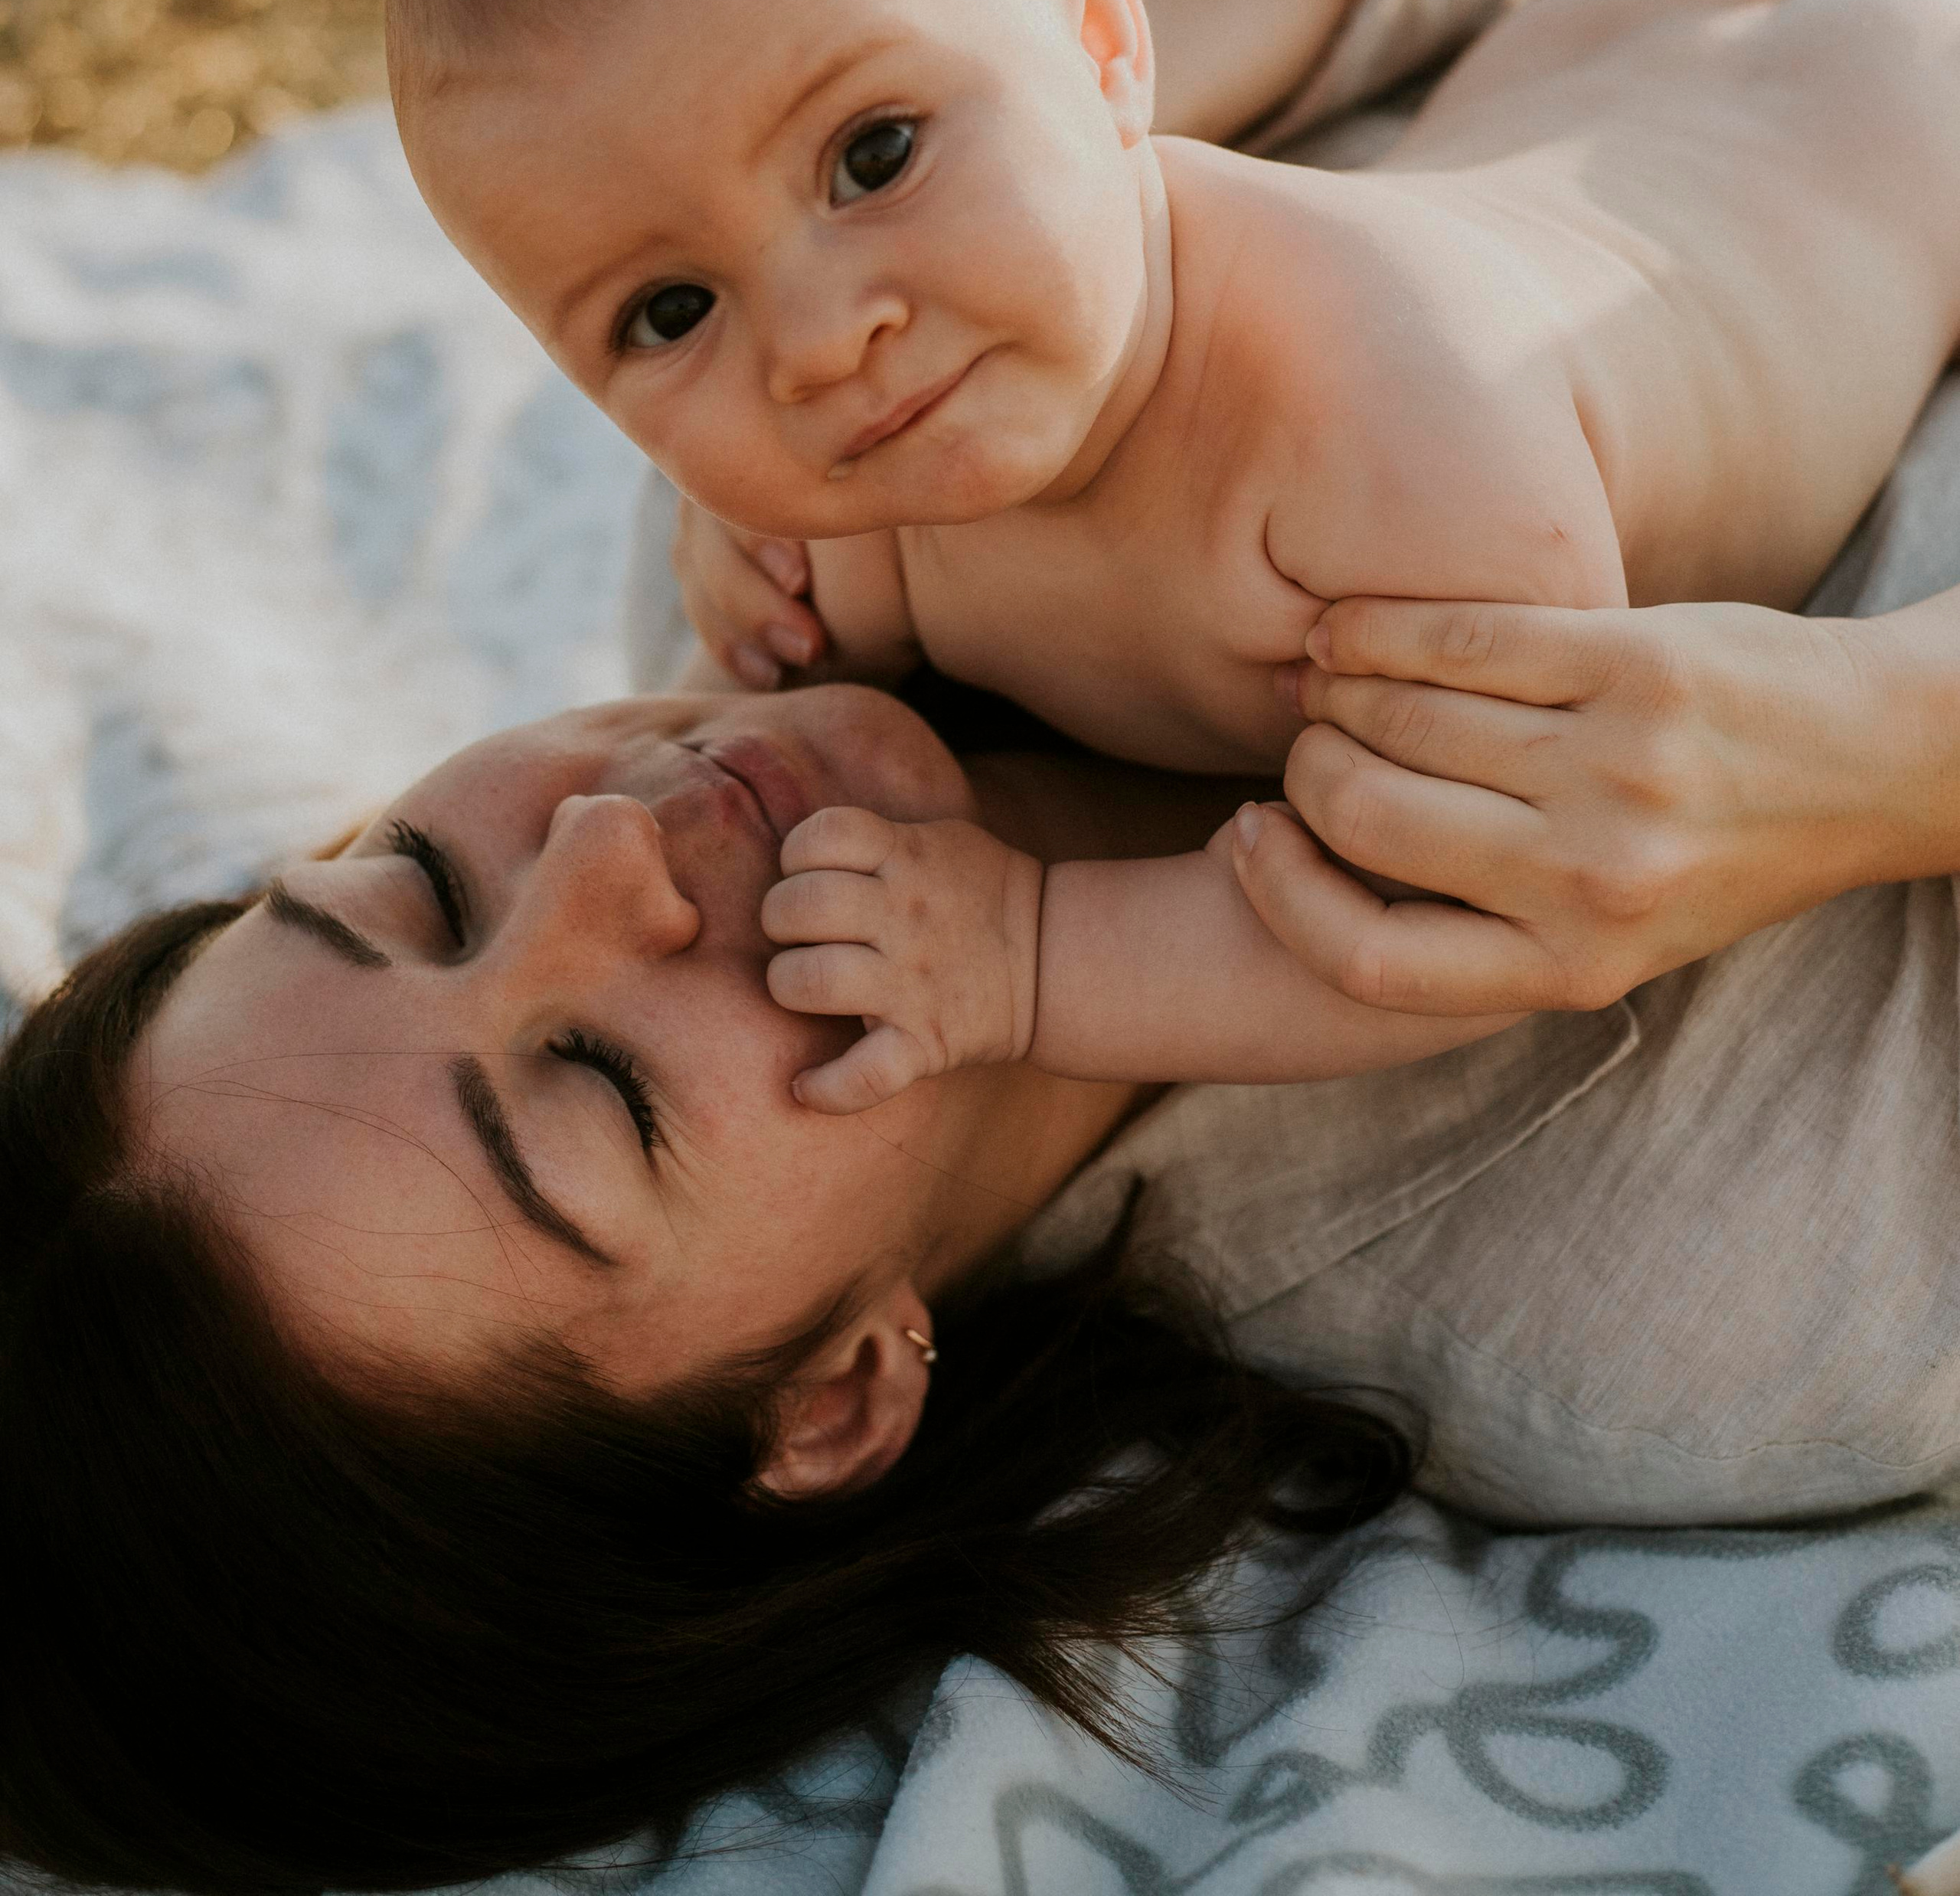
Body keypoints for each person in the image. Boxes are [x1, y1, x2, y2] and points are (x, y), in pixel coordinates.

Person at [8, 449, 1960, 1891]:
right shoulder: (1710, 1259)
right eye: (600, 1088)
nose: (606, 852)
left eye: (413, 881)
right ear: (833, 1396)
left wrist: (984, 238)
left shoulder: (790, 480)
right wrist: (1874, 750)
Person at [383, 0, 1960, 1107]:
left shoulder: (1389, 430)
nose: (811, 342)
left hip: (1882, 159)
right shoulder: (879, 444)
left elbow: (1457, 902)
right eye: (669, 312)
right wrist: (749, 567)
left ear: (1099, 34)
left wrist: (1034, 952)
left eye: (873, 156)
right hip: (1588, 69)